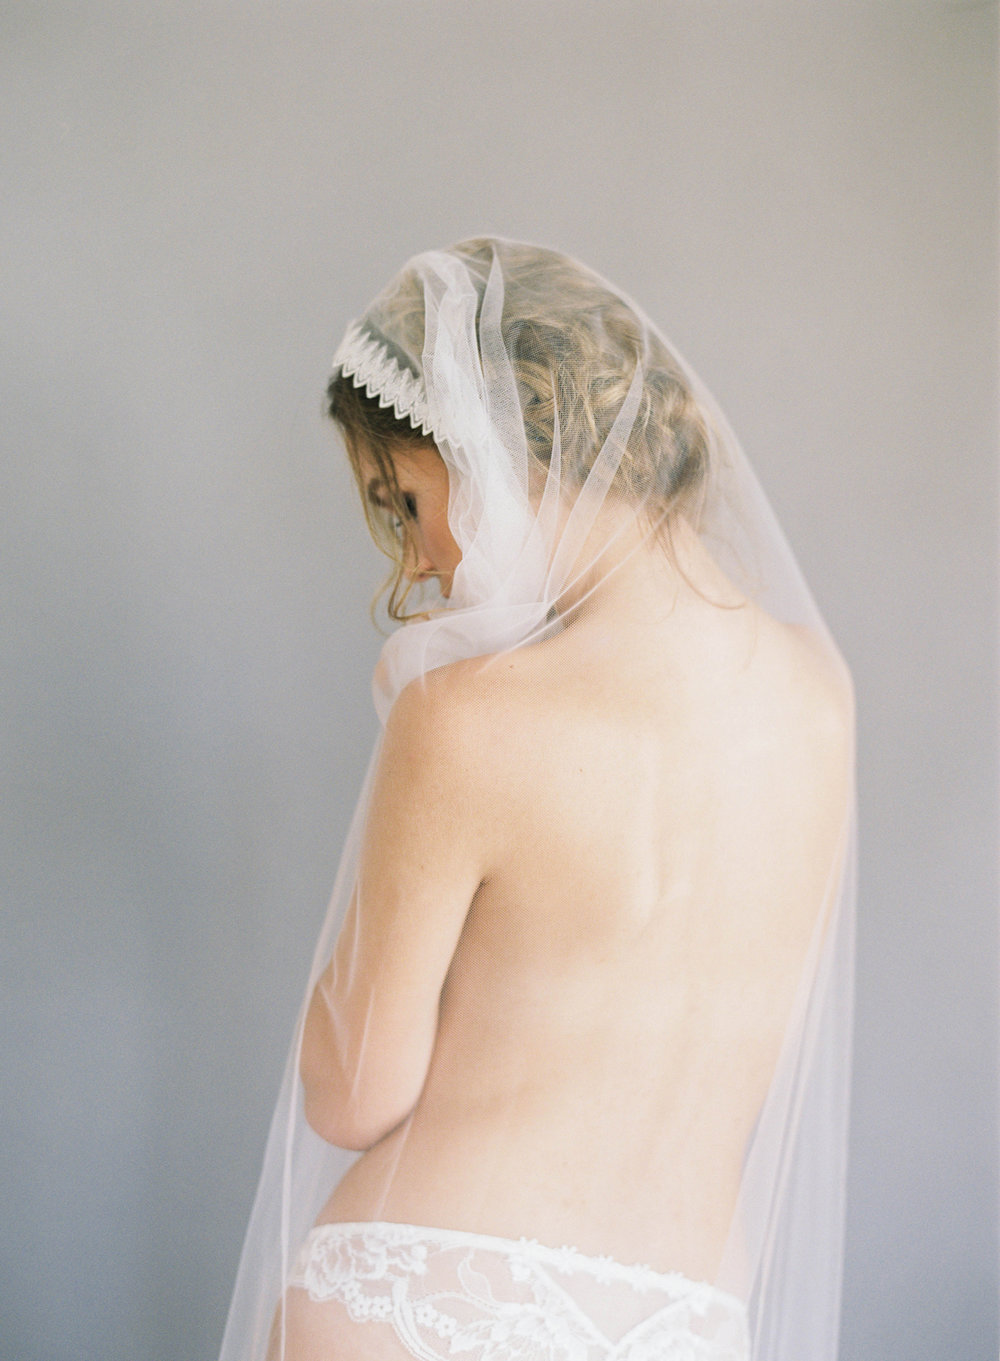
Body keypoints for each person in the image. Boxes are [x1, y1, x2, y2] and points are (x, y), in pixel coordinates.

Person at [219, 239, 856, 1361]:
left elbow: (352, 1095)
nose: (418, 563)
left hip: (422, 1297)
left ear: (494, 449)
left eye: (407, 500)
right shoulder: (820, 698)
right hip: (682, 1318)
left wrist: (412, 731)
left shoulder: (463, 719)